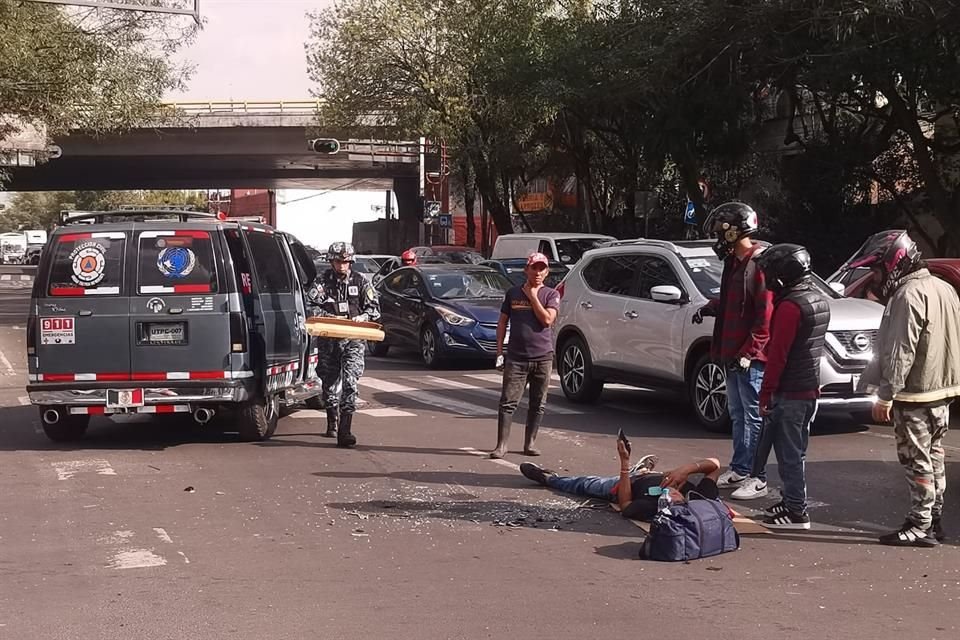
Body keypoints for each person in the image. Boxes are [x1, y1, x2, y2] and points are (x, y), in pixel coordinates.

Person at [845, 230, 960, 547]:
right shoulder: (944, 288)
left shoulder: (908, 296)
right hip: (942, 390)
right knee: (934, 457)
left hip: (915, 393)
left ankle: (919, 523)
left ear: (894, 263)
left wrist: (885, 394)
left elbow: (901, 350)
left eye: (877, 269)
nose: (875, 277)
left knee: (916, 461)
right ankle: (934, 517)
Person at [728, 244, 830, 531]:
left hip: (789, 392)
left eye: (773, 273)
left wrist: (766, 393)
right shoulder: (818, 300)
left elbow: (778, 355)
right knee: (794, 450)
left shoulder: (790, 307)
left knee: (789, 456)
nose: (769, 278)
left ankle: (796, 512)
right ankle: (790, 501)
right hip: (808, 388)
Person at [694, 202, 773, 490]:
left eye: (719, 232)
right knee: (738, 413)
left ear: (734, 231)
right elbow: (731, 302)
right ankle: (740, 467)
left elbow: (765, 315)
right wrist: (710, 307)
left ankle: (755, 473)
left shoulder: (758, 264)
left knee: (752, 415)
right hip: (731, 352)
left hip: (749, 356)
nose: (717, 238)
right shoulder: (732, 263)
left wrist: (750, 352)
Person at [519, 441, 722, 522]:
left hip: (623, 484)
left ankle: (549, 478)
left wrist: (624, 464)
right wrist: (686, 470)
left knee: (585, 484)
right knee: (654, 475)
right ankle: (642, 470)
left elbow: (625, 505)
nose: (672, 493)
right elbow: (714, 465)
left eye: (670, 499)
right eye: (677, 495)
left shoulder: (651, 507)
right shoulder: (699, 499)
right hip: (651, 476)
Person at [307, 241, 380, 448]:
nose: (342, 265)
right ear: (332, 261)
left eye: (346, 262)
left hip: (354, 340)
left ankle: (345, 430)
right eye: (338, 261)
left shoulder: (361, 281)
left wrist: (363, 316)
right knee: (329, 382)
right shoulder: (322, 282)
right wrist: (330, 317)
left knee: (350, 382)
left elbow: (375, 309)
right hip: (329, 340)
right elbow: (310, 307)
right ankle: (332, 419)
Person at [490, 252, 561, 459]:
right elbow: (502, 322)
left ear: (547, 272)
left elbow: (547, 320)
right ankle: (501, 445)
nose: (538, 272)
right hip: (517, 358)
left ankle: (529, 443)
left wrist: (532, 296)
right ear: (526, 270)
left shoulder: (551, 294)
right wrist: (499, 352)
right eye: (534, 268)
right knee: (508, 402)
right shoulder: (512, 294)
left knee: (538, 404)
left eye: (542, 269)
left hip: (542, 358)